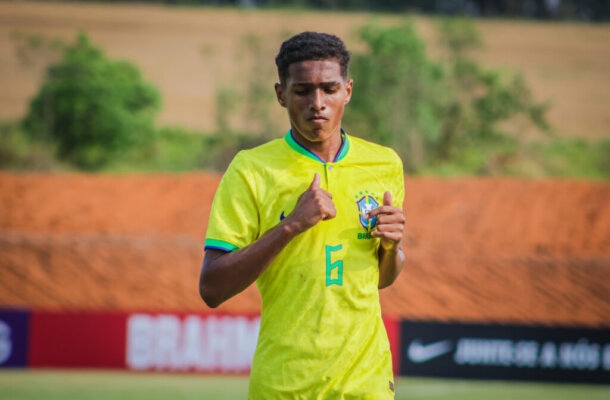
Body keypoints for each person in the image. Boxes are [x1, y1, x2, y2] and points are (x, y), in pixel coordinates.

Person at [199, 31, 406, 399]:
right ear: (281, 94)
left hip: (367, 382)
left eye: (329, 89)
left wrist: (391, 247)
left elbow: (380, 278)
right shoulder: (252, 169)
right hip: (284, 384)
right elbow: (212, 288)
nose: (317, 103)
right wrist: (291, 225)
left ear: (348, 90)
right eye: (302, 91)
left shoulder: (384, 164)